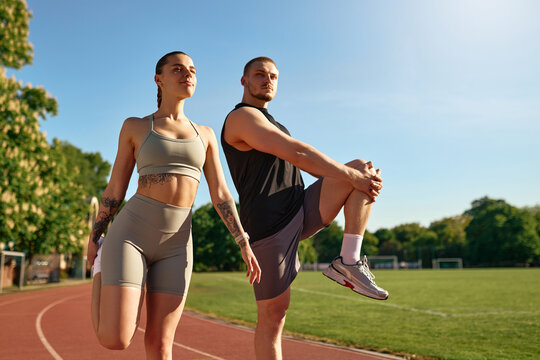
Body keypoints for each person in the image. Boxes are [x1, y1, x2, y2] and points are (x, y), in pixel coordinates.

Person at [86, 51, 261, 360]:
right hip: (131, 234)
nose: (187, 74)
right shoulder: (135, 127)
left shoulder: (205, 134)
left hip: (177, 243)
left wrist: (242, 241)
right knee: (116, 339)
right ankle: (103, 266)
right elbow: (115, 189)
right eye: (177, 69)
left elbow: (220, 193)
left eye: (192, 69)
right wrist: (95, 236)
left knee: (161, 344)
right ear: (159, 79)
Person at [221, 56, 388, 360]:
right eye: (259, 74)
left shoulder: (274, 122)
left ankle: (348, 262)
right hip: (268, 223)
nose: (267, 80)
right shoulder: (242, 118)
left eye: (273, 76)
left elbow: (308, 163)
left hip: (300, 205)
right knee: (274, 316)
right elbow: (296, 152)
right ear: (244, 81)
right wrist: (352, 177)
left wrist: (358, 178)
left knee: (364, 169)